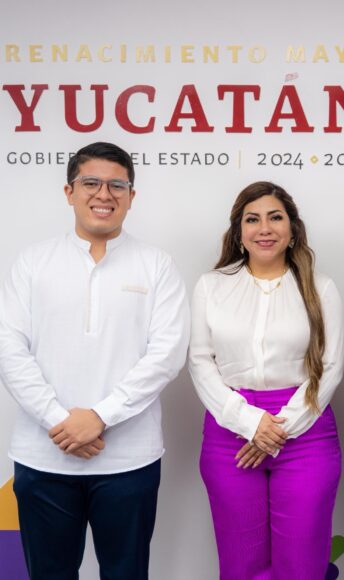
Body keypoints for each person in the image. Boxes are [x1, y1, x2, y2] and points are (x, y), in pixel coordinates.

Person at [0, 142, 190, 579]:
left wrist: (100, 416)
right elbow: (10, 349)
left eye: (116, 186)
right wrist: (59, 420)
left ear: (131, 196)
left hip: (129, 460)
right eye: (91, 183)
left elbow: (166, 354)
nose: (104, 194)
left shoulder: (157, 265)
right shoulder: (32, 263)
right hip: (43, 456)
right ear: (69, 192)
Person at [189, 181, 344, 580]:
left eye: (275, 217)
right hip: (229, 431)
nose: (264, 228)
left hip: (305, 432)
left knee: (302, 563)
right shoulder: (211, 285)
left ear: (292, 229)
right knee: (241, 562)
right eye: (252, 219)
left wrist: (277, 429)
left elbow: (330, 366)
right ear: (238, 232)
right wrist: (248, 422)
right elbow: (200, 361)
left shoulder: (321, 287)